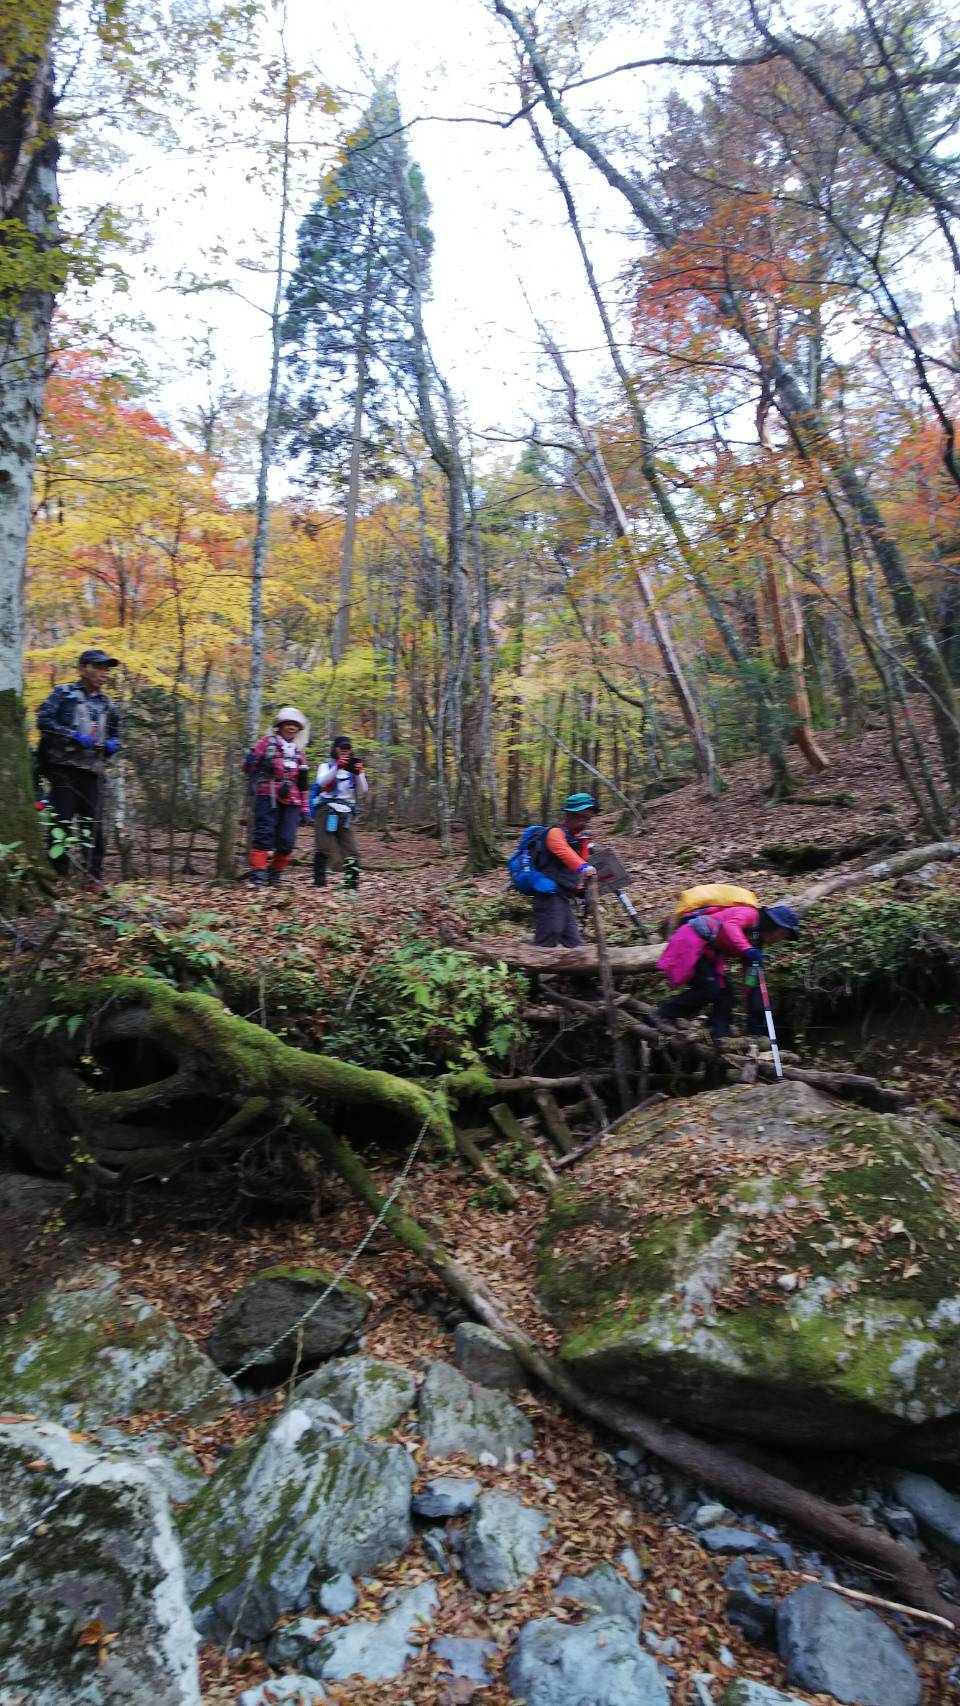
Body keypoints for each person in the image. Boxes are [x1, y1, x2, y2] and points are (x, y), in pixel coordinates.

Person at [657, 894, 800, 1039]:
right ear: (773, 924)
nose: (779, 939)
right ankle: (663, 1013)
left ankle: (720, 1034)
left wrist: (752, 1011)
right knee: (709, 989)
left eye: (784, 937)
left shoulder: (756, 943)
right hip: (691, 942)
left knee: (725, 992)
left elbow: (749, 977)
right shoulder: (750, 915)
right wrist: (746, 949)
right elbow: (730, 926)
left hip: (709, 953)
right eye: (782, 933)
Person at [36, 647, 121, 883]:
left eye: (106, 669)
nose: (104, 673)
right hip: (62, 768)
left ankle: (93, 876)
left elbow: (117, 733)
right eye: (98, 667)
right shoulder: (63, 694)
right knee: (61, 821)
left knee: (94, 824)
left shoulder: (108, 704)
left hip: (92, 771)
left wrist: (114, 744)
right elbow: (43, 720)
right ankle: (58, 875)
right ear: (82, 669)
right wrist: (72, 735)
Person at [243, 707, 311, 887]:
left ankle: (275, 873)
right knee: (264, 834)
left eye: (295, 725)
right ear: (279, 726)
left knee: (287, 840)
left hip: (293, 799)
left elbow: (303, 784)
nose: (291, 728)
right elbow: (248, 768)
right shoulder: (266, 743)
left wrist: (305, 809)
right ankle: (258, 874)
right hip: (267, 795)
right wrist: (252, 762)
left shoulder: (299, 752)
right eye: (288, 724)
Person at [530, 792, 598, 947]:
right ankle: (533, 966)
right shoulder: (555, 833)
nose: (585, 822)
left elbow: (577, 863)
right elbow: (563, 852)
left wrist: (581, 888)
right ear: (569, 815)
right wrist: (584, 868)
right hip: (549, 895)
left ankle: (583, 967)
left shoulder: (578, 838)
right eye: (582, 817)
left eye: (588, 818)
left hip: (563, 896)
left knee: (574, 941)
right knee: (549, 935)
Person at [309, 735, 369, 889]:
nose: (345, 751)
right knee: (323, 847)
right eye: (341, 748)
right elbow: (322, 782)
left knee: (351, 849)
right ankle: (319, 883)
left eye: (347, 748)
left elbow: (363, 791)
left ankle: (351, 883)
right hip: (326, 809)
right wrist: (337, 767)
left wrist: (359, 774)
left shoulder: (354, 769)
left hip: (346, 812)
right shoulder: (326, 766)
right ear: (335, 750)